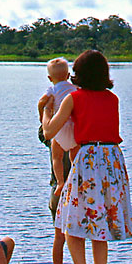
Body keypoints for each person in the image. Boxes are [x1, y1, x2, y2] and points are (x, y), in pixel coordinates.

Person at [42, 49, 132, 264]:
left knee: (69, 221)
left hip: (88, 159)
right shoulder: (113, 99)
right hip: (113, 159)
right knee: (100, 227)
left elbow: (49, 132)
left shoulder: (74, 98)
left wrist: (46, 111)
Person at [37, 58, 78, 196]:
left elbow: (41, 102)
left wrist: (41, 115)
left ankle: (60, 183)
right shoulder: (74, 89)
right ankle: (75, 176)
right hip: (73, 128)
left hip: (58, 128)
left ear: (49, 78)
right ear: (68, 76)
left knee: (57, 157)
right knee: (74, 155)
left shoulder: (52, 89)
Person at [38, 124, 73, 264]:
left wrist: (46, 111)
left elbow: (42, 132)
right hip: (73, 189)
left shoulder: (53, 136)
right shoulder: (77, 135)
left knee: (59, 238)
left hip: (56, 191)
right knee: (77, 237)